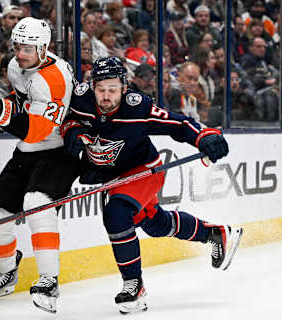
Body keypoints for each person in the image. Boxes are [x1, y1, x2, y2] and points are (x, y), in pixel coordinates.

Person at [61, 56, 243, 314]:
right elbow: (70, 119)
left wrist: (204, 137)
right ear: (92, 88)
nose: (106, 96)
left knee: (117, 214)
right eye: (101, 89)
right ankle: (214, 233)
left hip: (143, 170)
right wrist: (73, 133)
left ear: (124, 88)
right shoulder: (81, 99)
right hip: (112, 177)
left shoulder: (138, 108)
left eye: (113, 89)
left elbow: (178, 124)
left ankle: (133, 285)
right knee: (156, 224)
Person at [0, 17, 80, 314]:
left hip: (60, 151)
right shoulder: (15, 66)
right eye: (18, 46)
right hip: (27, 151)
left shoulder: (55, 78)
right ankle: (7, 272)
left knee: (37, 203)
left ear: (44, 47)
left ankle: (49, 280)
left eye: (28, 47)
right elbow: (21, 104)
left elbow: (38, 129)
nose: (21, 53)